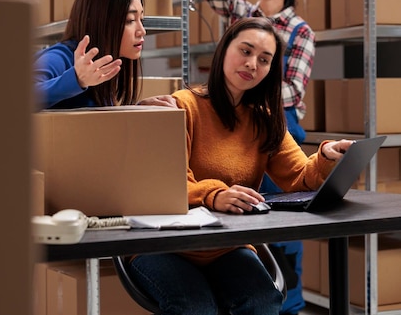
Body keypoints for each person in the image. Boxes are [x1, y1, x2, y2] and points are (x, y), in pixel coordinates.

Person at [133, 17, 354, 315]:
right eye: (246, 51)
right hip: (165, 245)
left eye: (264, 59)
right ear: (224, 50)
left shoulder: (264, 119)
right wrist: (215, 195)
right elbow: (167, 184)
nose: (252, 64)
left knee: (264, 301)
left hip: (226, 245)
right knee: (197, 307)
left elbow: (300, 177)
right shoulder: (183, 106)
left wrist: (327, 154)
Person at [180, 0, 315, 313]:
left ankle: (284, 306)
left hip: (277, 126)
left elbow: (291, 88)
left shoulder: (299, 32)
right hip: (231, 119)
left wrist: (251, 95)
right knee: (236, 221)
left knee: (283, 233)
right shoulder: (244, 15)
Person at [33, 0, 146, 110]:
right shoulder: (59, 58)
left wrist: (142, 108)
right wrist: (76, 79)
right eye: (130, 20)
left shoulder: (105, 65)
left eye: (142, 20)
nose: (142, 31)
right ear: (97, 22)